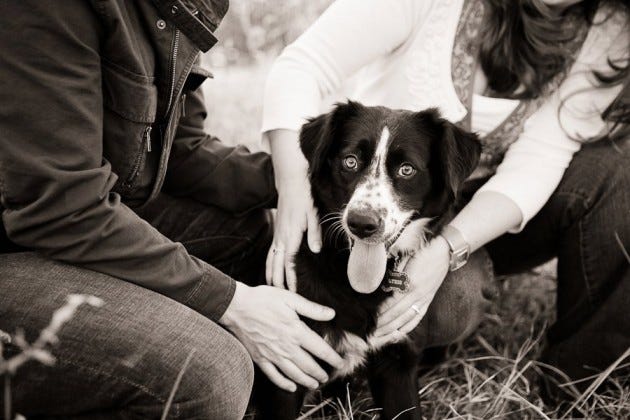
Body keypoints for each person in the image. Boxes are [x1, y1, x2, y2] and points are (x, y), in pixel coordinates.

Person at [263, 0, 630, 399]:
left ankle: (582, 383)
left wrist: (445, 250)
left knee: (619, 164)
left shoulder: (611, 27)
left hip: (488, 215)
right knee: (446, 307)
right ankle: (379, 350)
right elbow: (303, 63)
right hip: (371, 199)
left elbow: (538, 162)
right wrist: (293, 184)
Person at [0, 1, 346, 418]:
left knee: (250, 233)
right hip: (20, 244)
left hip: (68, 219)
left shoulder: (175, 7)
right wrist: (231, 303)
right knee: (210, 379)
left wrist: (307, 182)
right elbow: (63, 209)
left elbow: (182, 152)